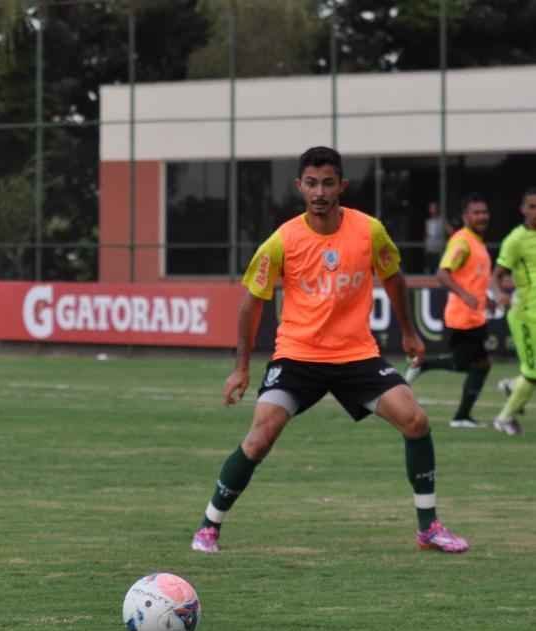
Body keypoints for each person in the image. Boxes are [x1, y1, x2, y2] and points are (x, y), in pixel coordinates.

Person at [191, 146, 468, 556]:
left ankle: (428, 526)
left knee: (415, 421)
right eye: (311, 183)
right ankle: (209, 526)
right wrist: (241, 368)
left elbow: (393, 277)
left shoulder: (369, 230)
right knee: (260, 437)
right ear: (299, 186)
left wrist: (409, 332)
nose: (319, 192)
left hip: (356, 355)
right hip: (297, 355)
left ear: (342, 186)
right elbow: (251, 302)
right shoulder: (282, 240)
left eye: (327, 183)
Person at [404, 193, 493, 427]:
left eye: (484, 212)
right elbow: (442, 274)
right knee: (476, 365)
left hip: (475, 316)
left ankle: (461, 414)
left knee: (473, 365)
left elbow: (475, 277)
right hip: (463, 318)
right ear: (466, 216)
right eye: (476, 212)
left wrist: (488, 299)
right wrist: (465, 295)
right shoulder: (462, 241)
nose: (482, 216)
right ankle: (461, 417)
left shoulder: (476, 241)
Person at [491, 188, 536, 435]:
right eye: (531, 206)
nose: (535, 212)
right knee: (534, 372)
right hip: (526, 315)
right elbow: (495, 276)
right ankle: (504, 419)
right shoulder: (515, 240)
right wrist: (499, 294)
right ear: (523, 209)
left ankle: (512, 386)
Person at [424, 200, 451, 274]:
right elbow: (427, 235)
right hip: (429, 249)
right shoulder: (428, 221)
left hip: (439, 249)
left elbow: (450, 231)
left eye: (433, 208)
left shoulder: (442, 220)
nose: (432, 210)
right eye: (430, 208)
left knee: (438, 268)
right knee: (429, 268)